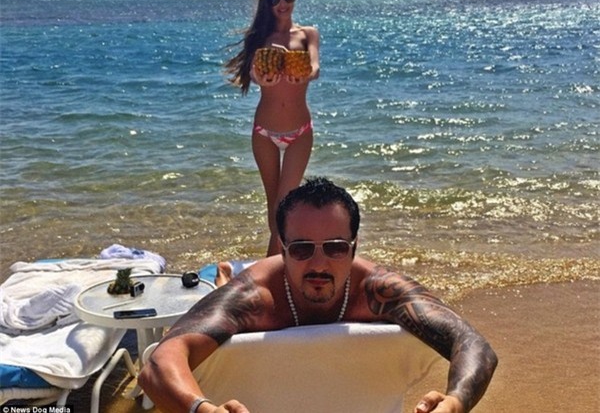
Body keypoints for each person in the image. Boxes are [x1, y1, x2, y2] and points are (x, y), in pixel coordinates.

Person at [139, 177, 498, 413]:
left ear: (354, 247)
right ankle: (223, 277)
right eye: (301, 249)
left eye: (336, 247)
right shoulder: (255, 297)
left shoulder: (377, 289)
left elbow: (472, 344)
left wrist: (455, 402)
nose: (319, 264)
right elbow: (159, 362)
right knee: (222, 296)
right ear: (282, 249)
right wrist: (203, 409)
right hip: (247, 286)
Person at [225, 0, 320, 256]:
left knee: (284, 205)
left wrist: (304, 73)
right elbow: (254, 72)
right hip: (264, 132)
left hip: (300, 132)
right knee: (273, 207)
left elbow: (315, 67)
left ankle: (271, 270)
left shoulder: (308, 34)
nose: (282, 4)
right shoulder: (260, 37)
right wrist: (260, 78)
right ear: (266, 2)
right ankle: (279, 267)